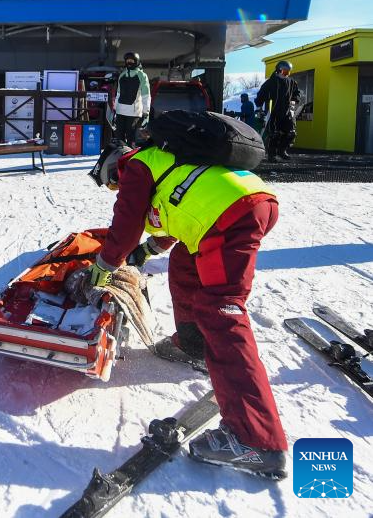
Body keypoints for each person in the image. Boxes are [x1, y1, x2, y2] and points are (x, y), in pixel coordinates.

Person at [82, 142, 288, 480]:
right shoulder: (167, 157)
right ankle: (194, 345)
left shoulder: (136, 166)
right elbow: (181, 214)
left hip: (232, 214)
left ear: (114, 167)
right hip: (246, 201)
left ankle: (255, 440)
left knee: (221, 312)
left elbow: (126, 224)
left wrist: (104, 266)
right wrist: (148, 249)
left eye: (112, 183)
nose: (116, 190)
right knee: (185, 263)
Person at [255, 60, 301, 161]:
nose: (286, 75)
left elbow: (297, 93)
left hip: (287, 111)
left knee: (291, 132)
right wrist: (259, 107)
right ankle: (272, 155)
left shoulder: (291, 82)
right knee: (275, 133)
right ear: (279, 70)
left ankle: (282, 150)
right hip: (273, 111)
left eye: (288, 72)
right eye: (285, 72)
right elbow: (261, 94)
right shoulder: (271, 82)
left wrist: (294, 100)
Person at [111, 52, 151, 147]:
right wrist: (115, 110)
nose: (129, 62)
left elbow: (146, 96)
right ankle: (119, 155)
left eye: (132, 60)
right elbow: (118, 94)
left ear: (137, 61)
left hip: (134, 113)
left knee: (131, 138)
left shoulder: (142, 75)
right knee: (118, 137)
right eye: (127, 60)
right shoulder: (122, 75)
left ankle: (129, 158)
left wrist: (146, 113)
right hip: (121, 111)